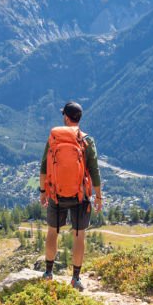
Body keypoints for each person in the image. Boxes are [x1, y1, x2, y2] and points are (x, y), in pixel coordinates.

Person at [39, 101, 102, 291]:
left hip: (56, 194)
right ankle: (75, 278)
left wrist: (43, 191)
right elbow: (95, 170)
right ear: (79, 118)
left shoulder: (54, 139)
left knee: (52, 231)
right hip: (80, 196)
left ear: (66, 117)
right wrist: (98, 197)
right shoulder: (87, 141)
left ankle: (48, 273)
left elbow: (44, 167)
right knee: (79, 235)